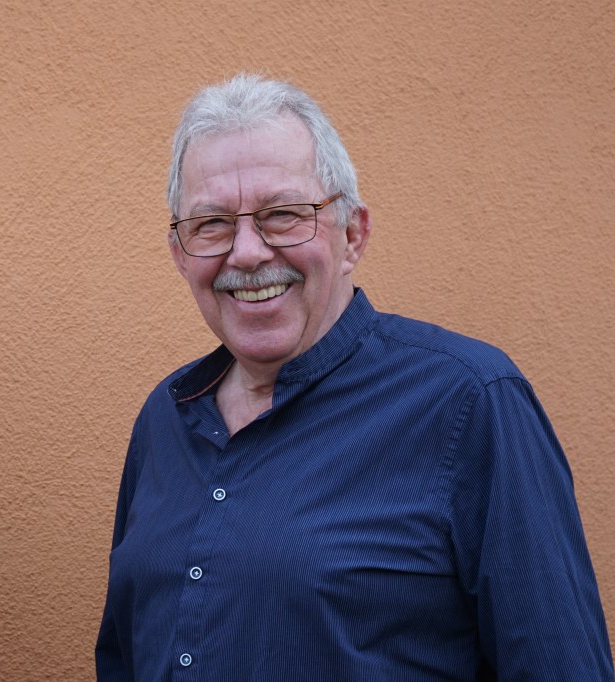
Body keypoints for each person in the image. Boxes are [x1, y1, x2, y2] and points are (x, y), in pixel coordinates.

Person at [96, 74, 613, 680]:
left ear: (353, 235)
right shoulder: (166, 416)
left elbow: (558, 663)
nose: (247, 252)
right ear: (180, 253)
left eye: (283, 215)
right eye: (211, 223)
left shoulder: (469, 402)